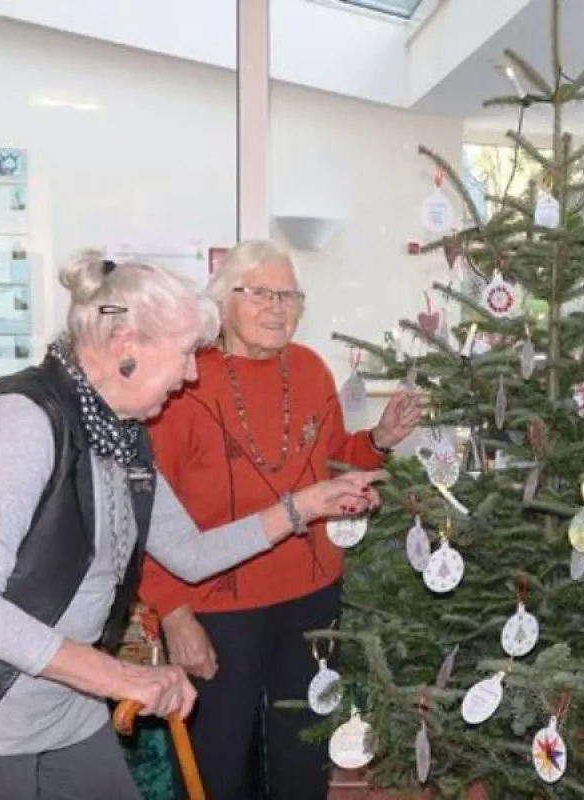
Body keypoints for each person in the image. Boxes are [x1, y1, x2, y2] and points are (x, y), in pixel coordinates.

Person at [0, 251, 380, 799]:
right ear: (127, 349)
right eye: (184, 355)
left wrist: (306, 506)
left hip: (65, 707)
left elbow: (188, 552)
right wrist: (118, 677)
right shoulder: (19, 425)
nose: (192, 374)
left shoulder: (120, 432)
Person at [137, 239, 421, 800]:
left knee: (305, 751)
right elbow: (145, 510)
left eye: (289, 295)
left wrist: (380, 441)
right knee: (218, 762)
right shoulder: (182, 381)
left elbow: (334, 458)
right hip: (217, 605)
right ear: (223, 300)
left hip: (313, 598)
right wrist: (172, 613)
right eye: (260, 293)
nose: (277, 307)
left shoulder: (312, 369)